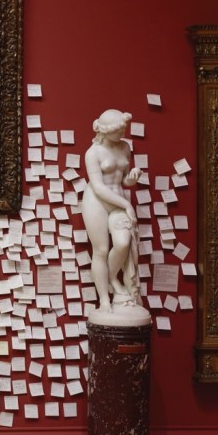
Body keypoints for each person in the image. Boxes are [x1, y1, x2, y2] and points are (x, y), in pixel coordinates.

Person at [80, 109, 144, 314]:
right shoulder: (93, 153)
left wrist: (131, 180)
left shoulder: (125, 147)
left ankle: (111, 279)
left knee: (123, 243)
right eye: (117, 130)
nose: (122, 134)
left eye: (123, 129)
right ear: (105, 131)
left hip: (118, 200)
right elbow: (98, 187)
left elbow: (122, 179)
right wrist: (126, 204)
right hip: (96, 202)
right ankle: (105, 299)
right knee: (100, 250)